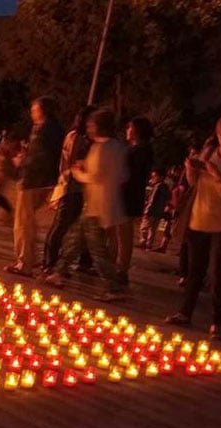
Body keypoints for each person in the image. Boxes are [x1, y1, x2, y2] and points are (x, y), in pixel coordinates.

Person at [44, 109, 128, 302]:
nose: (88, 128)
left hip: (98, 206)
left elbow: (95, 176)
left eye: (91, 125)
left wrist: (77, 172)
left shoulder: (103, 148)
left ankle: (113, 287)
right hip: (102, 204)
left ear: (99, 127)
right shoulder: (117, 147)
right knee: (75, 238)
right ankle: (58, 273)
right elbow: (123, 175)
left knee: (97, 249)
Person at [165, 114, 221, 337]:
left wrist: (217, 175)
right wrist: (190, 169)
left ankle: (217, 321)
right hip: (199, 219)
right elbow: (195, 184)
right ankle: (185, 313)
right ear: (218, 133)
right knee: (194, 271)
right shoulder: (209, 151)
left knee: (217, 274)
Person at [7, 96, 65, 276]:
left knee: (23, 222)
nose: (32, 113)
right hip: (47, 181)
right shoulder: (58, 129)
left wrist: (21, 161)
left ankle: (24, 263)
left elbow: (38, 157)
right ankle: (29, 258)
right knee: (30, 221)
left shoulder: (41, 130)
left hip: (32, 180)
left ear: (42, 110)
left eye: (34, 110)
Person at [41, 106, 95, 275]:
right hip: (70, 187)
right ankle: (49, 262)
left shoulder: (83, 138)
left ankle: (58, 263)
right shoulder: (75, 137)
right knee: (61, 225)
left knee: (69, 227)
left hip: (78, 189)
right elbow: (71, 164)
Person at [113, 116, 154, 283]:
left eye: (130, 128)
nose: (127, 131)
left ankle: (122, 269)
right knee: (121, 233)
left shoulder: (140, 151)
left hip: (128, 196)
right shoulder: (136, 149)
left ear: (136, 131)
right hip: (126, 194)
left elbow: (133, 175)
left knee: (124, 233)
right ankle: (119, 267)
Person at [137, 170, 170, 250]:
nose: (153, 178)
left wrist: (147, 210)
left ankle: (143, 242)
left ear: (160, 177)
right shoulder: (166, 187)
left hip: (151, 211)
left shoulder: (157, 186)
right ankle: (149, 244)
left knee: (144, 227)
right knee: (153, 230)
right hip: (159, 212)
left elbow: (152, 200)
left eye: (154, 176)